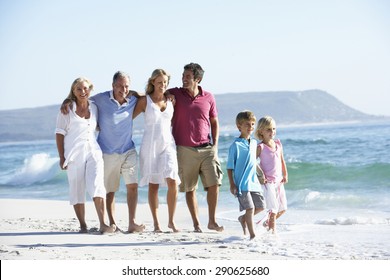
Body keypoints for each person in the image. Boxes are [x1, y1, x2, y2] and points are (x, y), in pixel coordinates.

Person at [60, 71, 145, 233]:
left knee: (132, 186)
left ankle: (132, 222)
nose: (123, 89)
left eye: (126, 86)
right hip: (106, 152)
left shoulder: (134, 100)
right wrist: (67, 100)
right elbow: (81, 97)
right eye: (120, 85)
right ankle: (112, 222)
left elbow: (148, 97)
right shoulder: (99, 99)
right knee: (109, 190)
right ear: (113, 86)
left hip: (128, 149)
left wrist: (141, 93)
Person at [166, 63, 223, 233]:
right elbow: (156, 93)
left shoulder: (209, 97)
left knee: (214, 184)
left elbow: (214, 122)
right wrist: (168, 96)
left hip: (207, 148)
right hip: (184, 149)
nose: (184, 79)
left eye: (188, 77)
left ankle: (212, 221)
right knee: (190, 188)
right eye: (183, 76)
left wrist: (216, 144)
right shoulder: (175, 93)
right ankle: (197, 224)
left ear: (197, 79)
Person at [55, 77, 115, 234]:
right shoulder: (67, 110)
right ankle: (83, 225)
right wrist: (62, 157)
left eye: (86, 88)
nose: (83, 92)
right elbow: (59, 134)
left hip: (93, 150)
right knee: (77, 189)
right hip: (74, 154)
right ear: (73, 91)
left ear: (90, 89)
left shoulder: (94, 107)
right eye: (79, 89)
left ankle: (103, 224)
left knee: (97, 184)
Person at [133, 69, 180, 233]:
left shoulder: (170, 100)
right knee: (153, 185)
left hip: (168, 145)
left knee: (172, 180)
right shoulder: (144, 101)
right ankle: (156, 224)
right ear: (152, 82)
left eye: (165, 82)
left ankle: (171, 221)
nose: (163, 85)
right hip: (150, 146)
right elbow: (126, 118)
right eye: (160, 82)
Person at [226, 111, 265, 240]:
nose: (251, 127)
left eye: (253, 124)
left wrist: (261, 174)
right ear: (239, 126)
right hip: (242, 184)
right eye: (247, 124)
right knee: (250, 208)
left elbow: (253, 161)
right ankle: (252, 235)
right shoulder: (235, 145)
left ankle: (243, 219)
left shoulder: (254, 143)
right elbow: (230, 167)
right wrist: (232, 184)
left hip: (254, 182)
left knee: (260, 207)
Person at [255, 116, 288, 234]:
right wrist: (260, 174)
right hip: (268, 182)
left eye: (273, 129)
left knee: (283, 208)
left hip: (279, 182)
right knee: (273, 210)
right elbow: (252, 162)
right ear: (261, 132)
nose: (272, 132)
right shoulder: (261, 147)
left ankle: (267, 223)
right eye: (268, 129)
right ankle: (272, 234)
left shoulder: (278, 144)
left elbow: (282, 160)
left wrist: (285, 174)